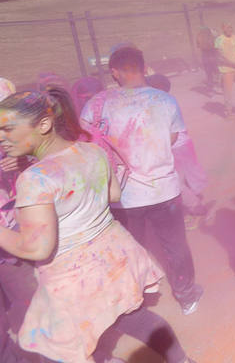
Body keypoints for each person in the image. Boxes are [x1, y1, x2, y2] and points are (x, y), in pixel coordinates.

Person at [0, 88, 195, 363]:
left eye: (7, 129)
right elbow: (113, 195)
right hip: (114, 258)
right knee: (132, 318)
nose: (1, 138)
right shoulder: (91, 151)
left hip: (72, 279)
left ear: (43, 124)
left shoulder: (35, 179)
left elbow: (36, 249)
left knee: (59, 351)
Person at [80, 46, 203, 316]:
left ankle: (137, 298)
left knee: (130, 248)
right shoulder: (164, 100)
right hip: (165, 191)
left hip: (122, 195)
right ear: (143, 67)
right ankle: (186, 296)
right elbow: (173, 138)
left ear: (114, 71)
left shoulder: (97, 104)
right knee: (175, 245)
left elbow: (86, 147)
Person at [0, 78, 38, 363]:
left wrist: (25, 159)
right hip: (8, 242)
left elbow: (48, 158)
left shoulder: (13, 137)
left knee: (31, 306)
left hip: (14, 239)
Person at [146, 74, 210, 231]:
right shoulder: (167, 101)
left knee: (174, 180)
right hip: (182, 144)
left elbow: (163, 132)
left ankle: (197, 209)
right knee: (186, 177)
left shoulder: (159, 104)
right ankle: (193, 205)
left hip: (174, 146)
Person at [215, 23, 235, 119]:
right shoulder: (219, 40)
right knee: (228, 93)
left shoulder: (234, 37)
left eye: (231, 27)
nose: (230, 29)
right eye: (227, 27)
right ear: (223, 28)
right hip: (226, 70)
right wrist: (234, 64)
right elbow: (220, 57)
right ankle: (228, 113)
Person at [195, 26, 218, 90]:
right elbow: (217, 46)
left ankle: (211, 85)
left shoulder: (199, 36)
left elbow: (198, 47)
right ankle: (215, 85)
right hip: (212, 55)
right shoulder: (213, 36)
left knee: (209, 72)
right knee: (215, 71)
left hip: (205, 56)